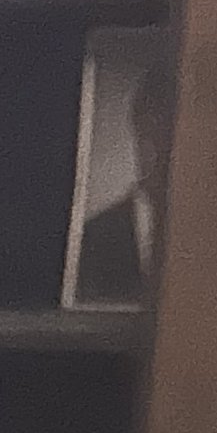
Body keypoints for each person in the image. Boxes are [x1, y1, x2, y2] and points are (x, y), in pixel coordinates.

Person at [73, 50, 173, 308]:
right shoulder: (87, 241)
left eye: (168, 134)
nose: (158, 149)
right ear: (137, 128)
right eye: (151, 130)